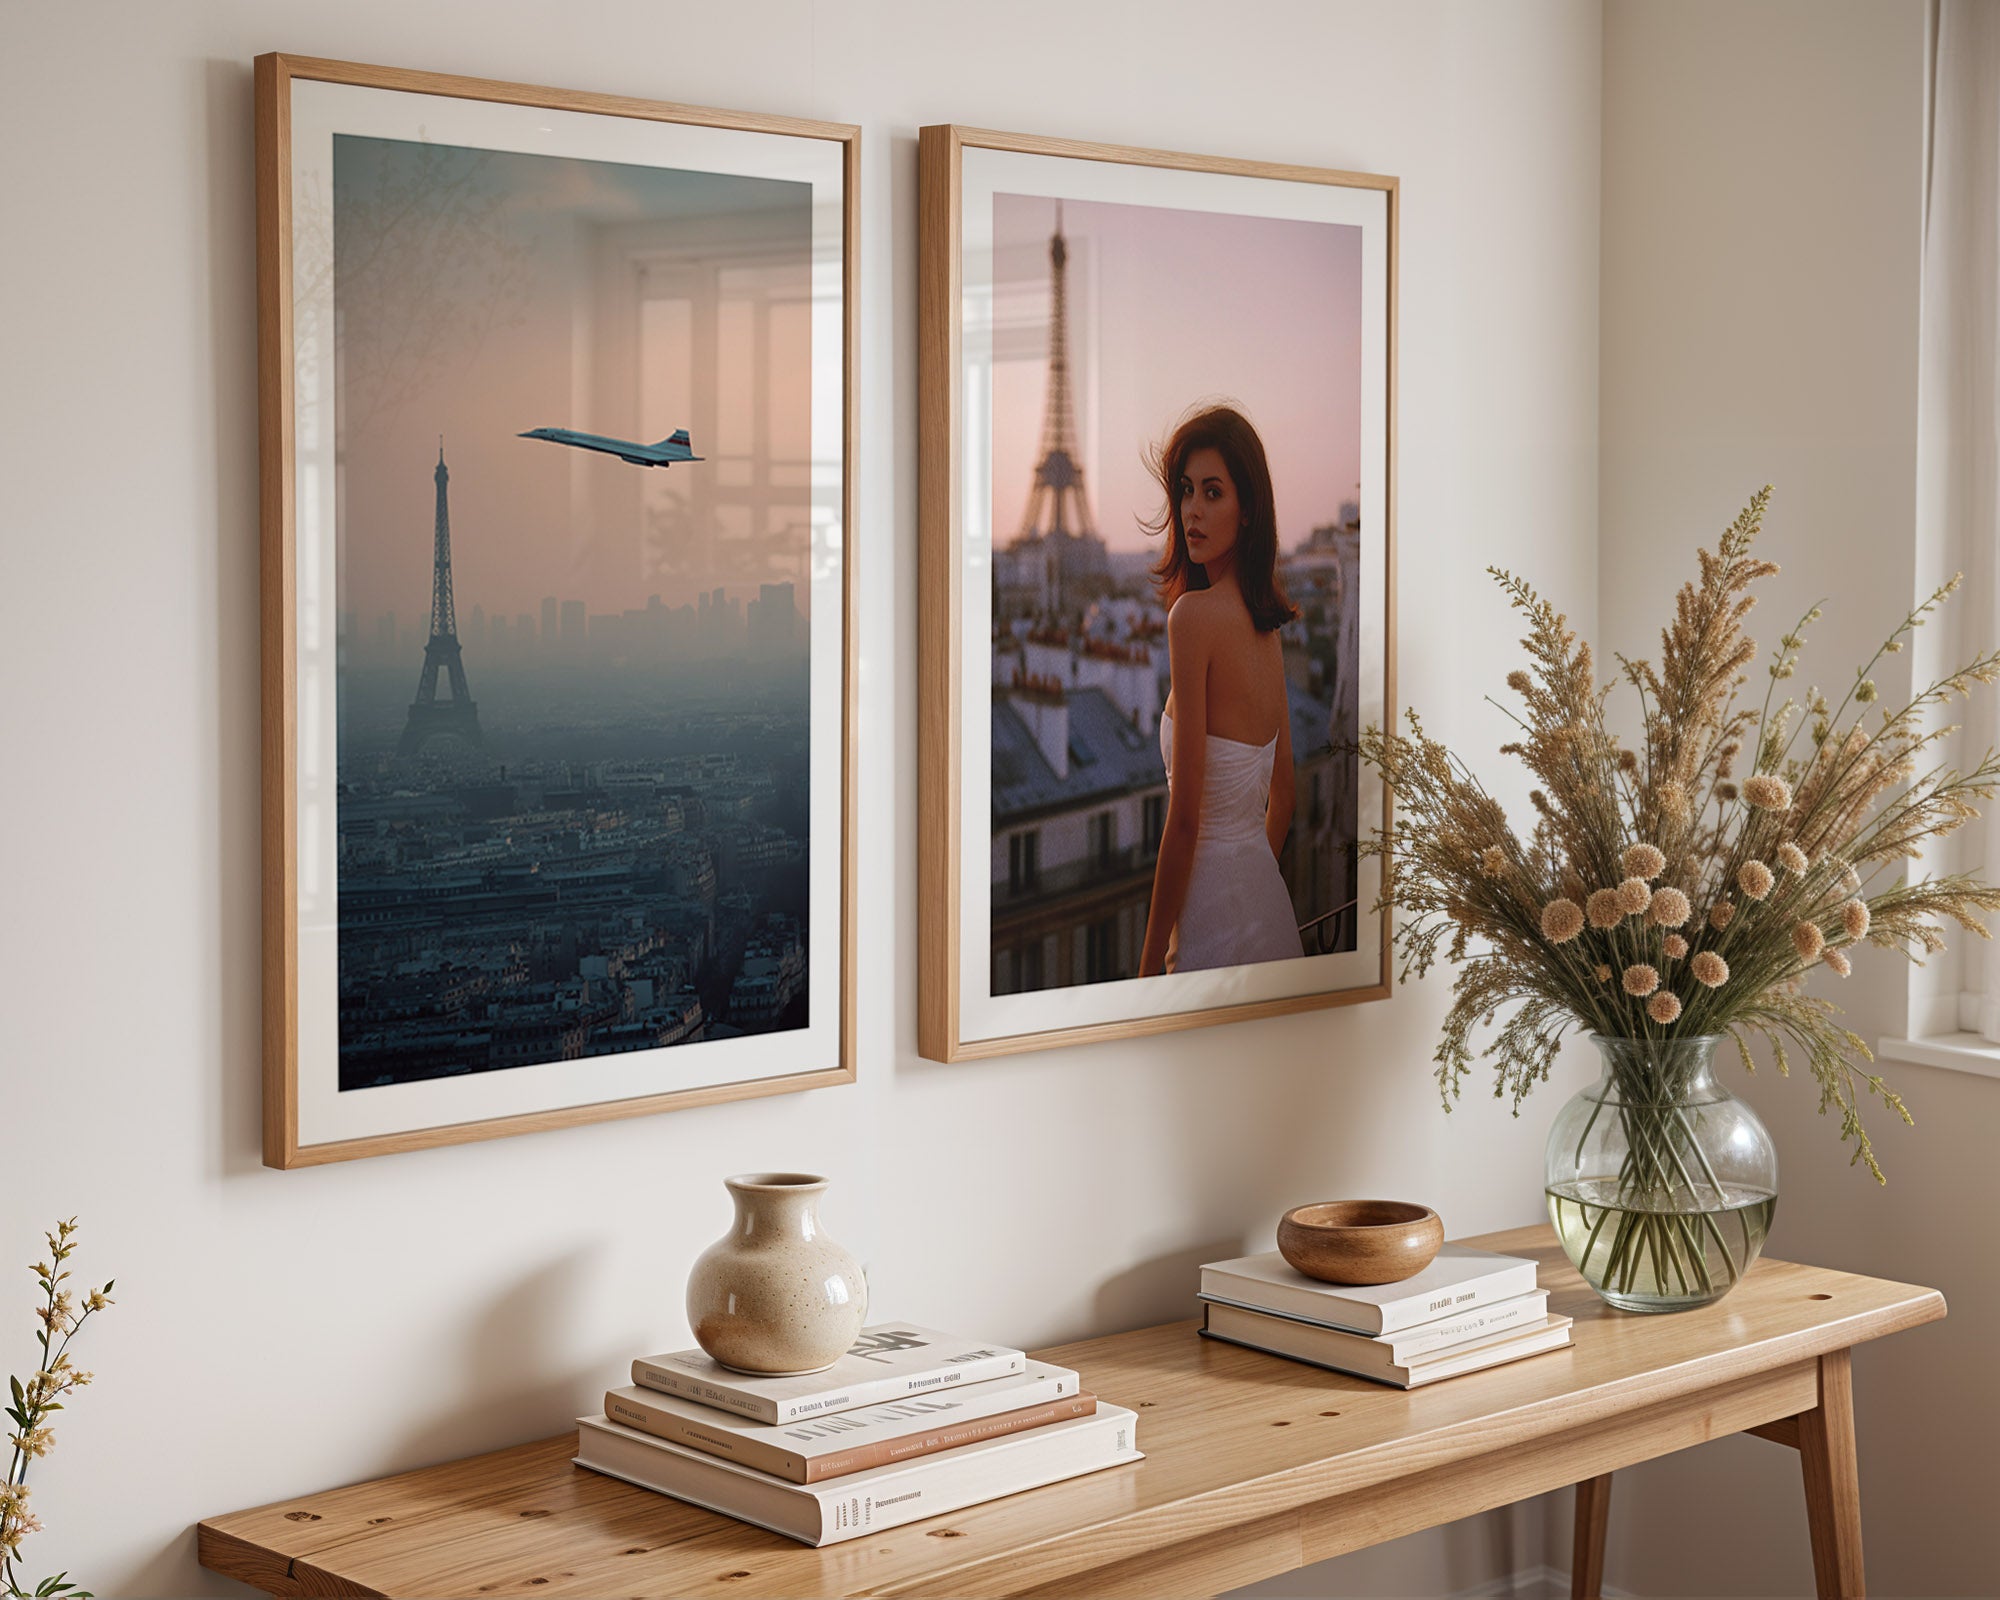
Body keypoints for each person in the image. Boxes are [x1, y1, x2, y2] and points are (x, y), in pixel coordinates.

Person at [1137, 405, 1305, 976]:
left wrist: (1148, 964)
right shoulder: (1267, 629)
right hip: (1270, 915)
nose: (1193, 510)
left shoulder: (1192, 618)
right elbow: (1285, 796)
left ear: (1248, 509)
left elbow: (1184, 820)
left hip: (1209, 925)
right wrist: (1251, 890)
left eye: (1213, 493)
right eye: (1186, 490)